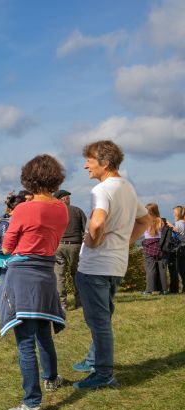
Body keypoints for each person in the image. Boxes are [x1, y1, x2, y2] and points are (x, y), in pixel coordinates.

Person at [72, 140, 150, 390]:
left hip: (96, 265)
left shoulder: (102, 190)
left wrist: (92, 242)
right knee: (103, 316)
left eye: (90, 161)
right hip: (116, 264)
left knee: (98, 321)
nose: (85, 166)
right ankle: (95, 360)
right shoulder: (126, 187)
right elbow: (145, 220)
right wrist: (127, 241)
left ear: (104, 163)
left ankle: (103, 374)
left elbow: (96, 223)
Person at [0, 155, 68, 410]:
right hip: (47, 271)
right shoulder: (61, 208)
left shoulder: (23, 210)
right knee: (43, 331)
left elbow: (7, 245)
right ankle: (51, 378)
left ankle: (32, 403)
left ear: (28, 178)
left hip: (23, 273)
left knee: (25, 339)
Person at [53, 190, 87, 310]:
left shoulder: (53, 212)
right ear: (66, 199)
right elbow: (85, 229)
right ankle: (79, 301)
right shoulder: (77, 211)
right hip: (75, 246)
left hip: (58, 246)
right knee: (76, 274)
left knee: (59, 275)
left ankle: (62, 303)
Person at [141, 203, 167, 294]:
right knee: (162, 269)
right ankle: (163, 289)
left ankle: (149, 290)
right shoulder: (161, 221)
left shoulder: (145, 220)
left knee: (150, 269)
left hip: (148, 246)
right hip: (160, 245)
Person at [167, 206, 185, 293]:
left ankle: (174, 289)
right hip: (183, 248)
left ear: (178, 213)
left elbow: (176, 230)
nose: (173, 214)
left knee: (174, 269)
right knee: (182, 270)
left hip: (178, 249)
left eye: (174, 213)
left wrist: (167, 223)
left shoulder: (178, 224)